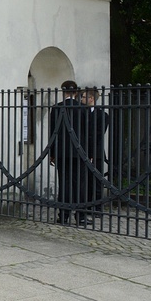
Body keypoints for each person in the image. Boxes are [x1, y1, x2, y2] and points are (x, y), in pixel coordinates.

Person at [49, 80, 90, 226]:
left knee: (64, 183)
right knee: (80, 184)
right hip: (80, 152)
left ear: (63, 91)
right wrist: (89, 152)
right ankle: (81, 216)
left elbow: (52, 133)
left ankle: (64, 215)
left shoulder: (57, 108)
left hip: (62, 152)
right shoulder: (83, 108)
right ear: (76, 92)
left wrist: (52, 153)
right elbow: (88, 133)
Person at [82, 87, 109, 217]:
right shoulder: (80, 113)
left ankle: (97, 207)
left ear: (91, 98)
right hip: (81, 151)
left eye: (83, 97)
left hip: (96, 152)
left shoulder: (103, 115)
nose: (81, 99)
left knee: (97, 180)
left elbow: (98, 135)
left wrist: (91, 153)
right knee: (83, 180)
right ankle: (85, 205)